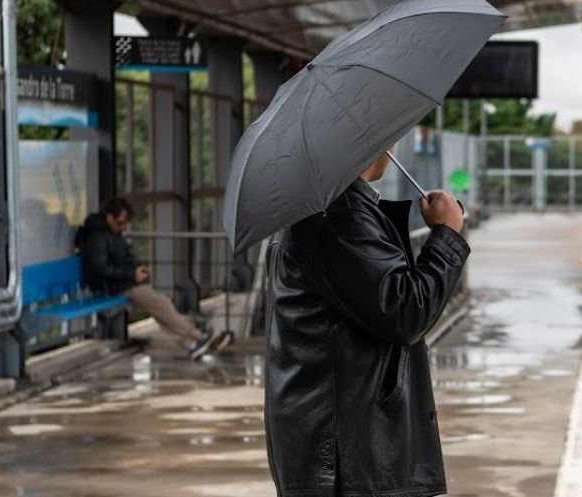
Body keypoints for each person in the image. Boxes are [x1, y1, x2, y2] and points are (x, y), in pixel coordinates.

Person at [265, 150, 468, 497]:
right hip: (347, 452)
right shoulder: (339, 218)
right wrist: (446, 235)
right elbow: (405, 311)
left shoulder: (323, 206)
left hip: (336, 441)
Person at [79, 198, 226, 360]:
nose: (123, 227)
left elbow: (120, 259)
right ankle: (198, 336)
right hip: (113, 286)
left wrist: (136, 270)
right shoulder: (97, 237)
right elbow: (100, 268)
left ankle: (191, 345)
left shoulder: (111, 233)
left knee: (160, 307)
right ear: (109, 217)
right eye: (120, 223)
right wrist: (131, 274)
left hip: (123, 282)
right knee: (161, 304)